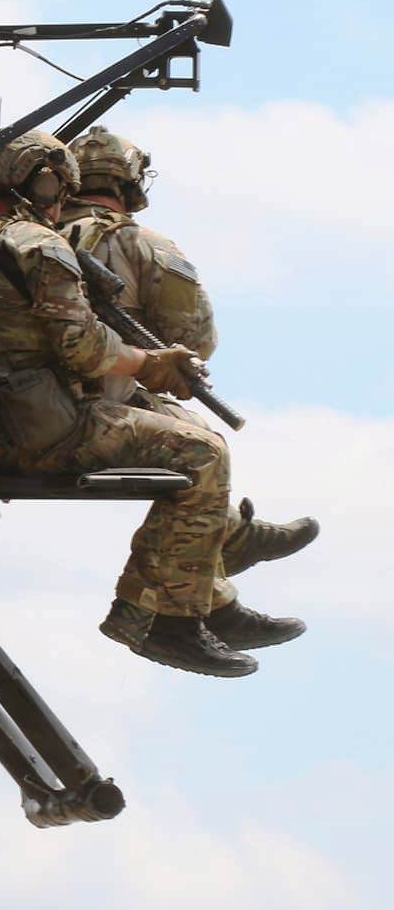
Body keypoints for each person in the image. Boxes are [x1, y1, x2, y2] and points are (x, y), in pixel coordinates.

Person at [0, 128, 301, 676]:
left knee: (191, 433)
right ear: (44, 182)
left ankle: (213, 597)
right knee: (203, 453)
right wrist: (150, 363)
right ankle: (161, 622)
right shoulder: (39, 244)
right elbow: (81, 346)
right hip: (44, 427)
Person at [58, 126, 318, 643]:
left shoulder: (25, 240)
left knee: (194, 427)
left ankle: (229, 552)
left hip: (43, 400)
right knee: (202, 450)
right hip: (81, 412)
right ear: (130, 184)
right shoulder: (142, 244)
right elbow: (195, 342)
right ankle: (169, 609)